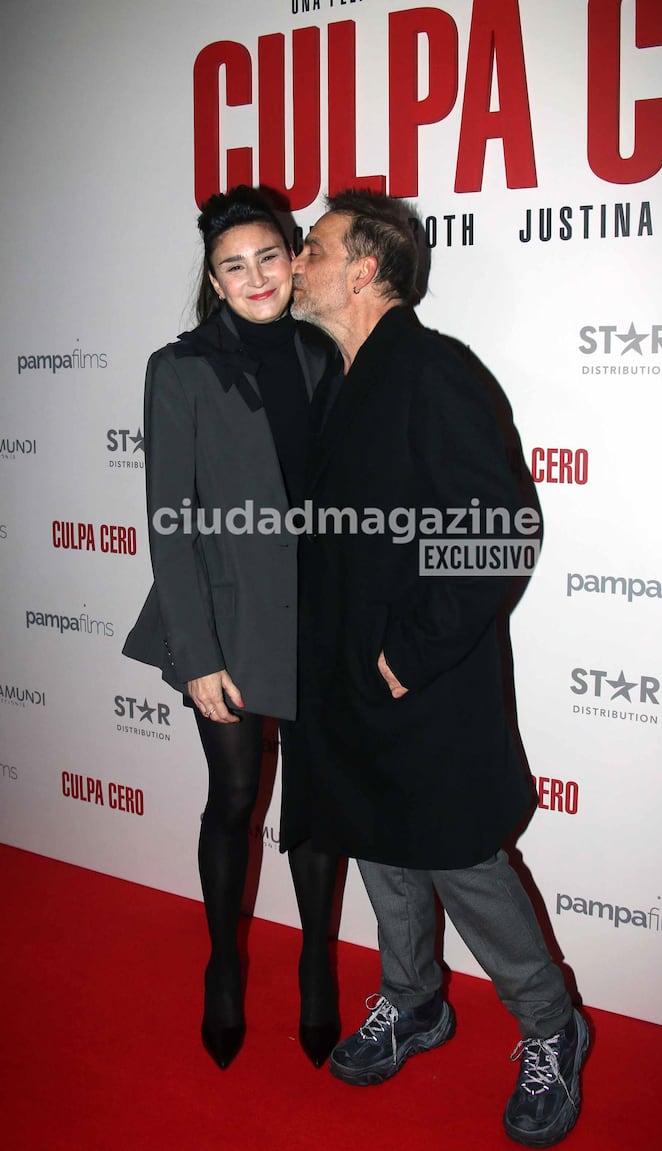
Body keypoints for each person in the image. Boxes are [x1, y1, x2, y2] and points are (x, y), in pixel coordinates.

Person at [289, 190, 589, 1148]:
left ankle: (552, 1025)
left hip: (422, 681)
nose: (297, 260)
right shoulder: (334, 375)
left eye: (315, 245)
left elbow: (502, 532)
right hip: (344, 684)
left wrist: (405, 655)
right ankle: (414, 999)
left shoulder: (431, 371)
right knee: (378, 844)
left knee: (460, 859)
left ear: (364, 268)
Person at [123, 186, 341, 1071]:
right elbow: (168, 520)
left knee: (317, 808)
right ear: (213, 280)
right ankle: (225, 965)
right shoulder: (178, 369)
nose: (254, 277)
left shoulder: (326, 353)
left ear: (294, 260)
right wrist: (199, 655)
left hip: (320, 620)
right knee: (237, 799)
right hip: (228, 616)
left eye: (267, 258)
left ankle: (318, 968)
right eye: (232, 265)